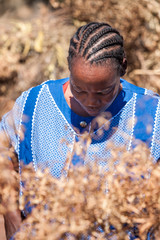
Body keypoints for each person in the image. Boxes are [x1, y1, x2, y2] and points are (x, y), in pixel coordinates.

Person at [0, 22, 160, 239]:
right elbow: (4, 153)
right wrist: (11, 216)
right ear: (68, 66)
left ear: (123, 68)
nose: (90, 102)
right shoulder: (34, 104)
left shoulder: (151, 114)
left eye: (104, 92)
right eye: (79, 90)